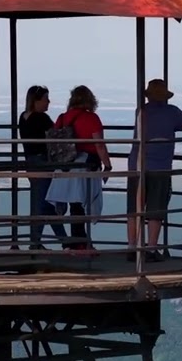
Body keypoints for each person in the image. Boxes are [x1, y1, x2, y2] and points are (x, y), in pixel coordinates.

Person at [126, 79, 182, 263]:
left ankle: (132, 248)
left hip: (136, 165)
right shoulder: (172, 112)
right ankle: (151, 249)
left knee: (134, 209)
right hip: (160, 166)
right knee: (156, 208)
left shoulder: (141, 111)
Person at [44, 85, 112, 251]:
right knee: (82, 204)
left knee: (75, 204)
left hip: (65, 166)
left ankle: (78, 241)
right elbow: (99, 145)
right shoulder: (91, 119)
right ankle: (81, 242)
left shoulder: (63, 118)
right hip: (86, 165)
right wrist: (108, 166)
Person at [18, 84, 65, 249]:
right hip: (43, 163)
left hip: (30, 163)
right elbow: (57, 135)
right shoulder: (42, 119)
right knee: (44, 204)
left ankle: (60, 241)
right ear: (37, 101)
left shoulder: (23, 117)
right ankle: (40, 242)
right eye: (45, 98)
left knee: (42, 201)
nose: (48, 102)